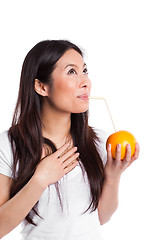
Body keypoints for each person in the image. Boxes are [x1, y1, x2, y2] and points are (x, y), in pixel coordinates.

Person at [0, 40, 139, 240]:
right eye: (72, 72)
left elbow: (101, 217)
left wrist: (113, 176)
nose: (85, 82)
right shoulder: (9, 145)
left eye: (85, 71)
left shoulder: (98, 141)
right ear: (41, 86)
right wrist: (40, 180)